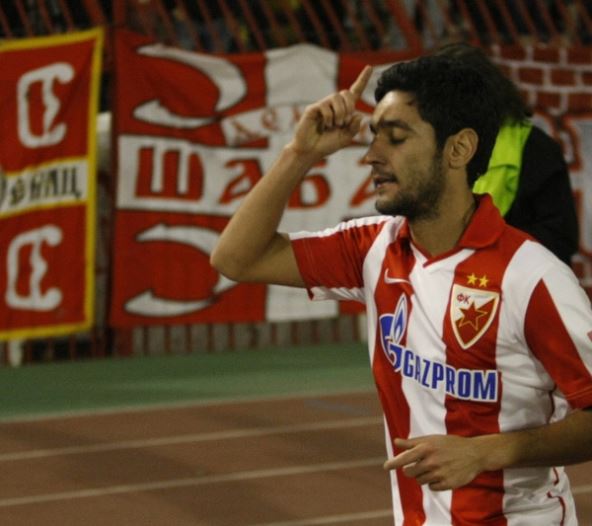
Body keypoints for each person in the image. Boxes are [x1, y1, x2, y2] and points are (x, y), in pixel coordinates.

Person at [211, 55, 592, 524]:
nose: (371, 155)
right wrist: (300, 153)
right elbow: (236, 259)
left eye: (395, 137)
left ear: (458, 149)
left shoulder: (532, 276)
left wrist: (487, 452)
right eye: (374, 136)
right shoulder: (373, 248)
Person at [435, 42, 579, 266]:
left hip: (515, 278)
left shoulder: (535, 148)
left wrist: (490, 248)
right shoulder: (432, 146)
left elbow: (560, 237)